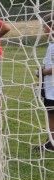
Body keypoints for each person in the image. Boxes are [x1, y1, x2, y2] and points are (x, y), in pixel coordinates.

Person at [40, 16, 54, 152]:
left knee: (51, 114)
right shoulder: (51, 44)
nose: (43, 29)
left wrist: (42, 72)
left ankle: (51, 142)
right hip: (49, 86)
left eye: (44, 26)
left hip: (52, 89)